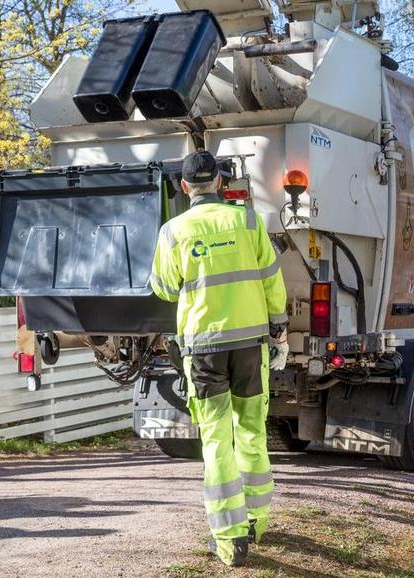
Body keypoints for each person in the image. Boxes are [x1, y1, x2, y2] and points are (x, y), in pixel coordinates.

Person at [149, 150, 289, 567]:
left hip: (205, 349)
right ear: (222, 183)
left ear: (185, 186)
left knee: (215, 439)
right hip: (250, 345)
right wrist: (278, 323)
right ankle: (256, 521)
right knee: (251, 430)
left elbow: (163, 288)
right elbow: (271, 278)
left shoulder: (174, 231)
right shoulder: (247, 221)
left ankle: (229, 539)